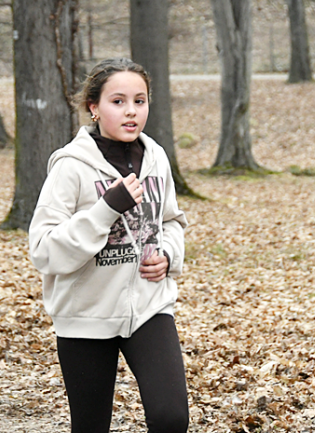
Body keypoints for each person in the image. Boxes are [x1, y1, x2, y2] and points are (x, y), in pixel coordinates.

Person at [29, 57, 189, 433]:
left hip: (149, 307)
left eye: (140, 100)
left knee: (171, 419)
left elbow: (170, 221)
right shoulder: (71, 167)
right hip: (86, 315)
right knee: (90, 427)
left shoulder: (156, 158)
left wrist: (168, 255)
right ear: (94, 108)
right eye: (118, 101)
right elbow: (43, 249)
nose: (131, 111)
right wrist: (104, 211)